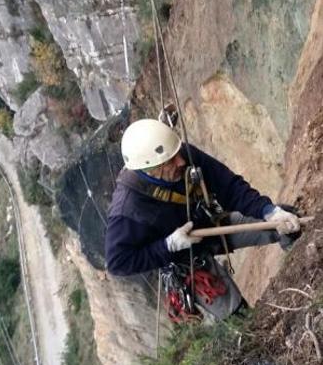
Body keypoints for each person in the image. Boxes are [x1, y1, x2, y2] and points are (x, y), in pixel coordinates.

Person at [105, 118, 302, 277]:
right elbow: (117, 263)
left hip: (210, 226)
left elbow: (229, 187)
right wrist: (168, 246)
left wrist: (268, 211)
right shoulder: (128, 209)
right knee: (235, 312)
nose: (181, 161)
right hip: (183, 257)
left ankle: (300, 268)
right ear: (151, 169)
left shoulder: (183, 154)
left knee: (287, 222)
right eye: (171, 160)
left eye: (178, 153)